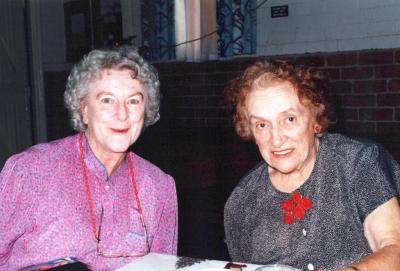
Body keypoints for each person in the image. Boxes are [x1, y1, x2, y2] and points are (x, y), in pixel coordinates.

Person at [0, 47, 178, 270]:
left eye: (133, 101)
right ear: (84, 109)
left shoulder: (160, 187)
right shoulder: (32, 170)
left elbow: (164, 267)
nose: (122, 114)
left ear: (146, 109)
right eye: (107, 100)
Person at [223, 60, 400, 271]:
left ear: (315, 120)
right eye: (262, 125)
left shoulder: (357, 162)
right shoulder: (242, 201)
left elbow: (394, 248)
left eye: (289, 119)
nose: (276, 139)